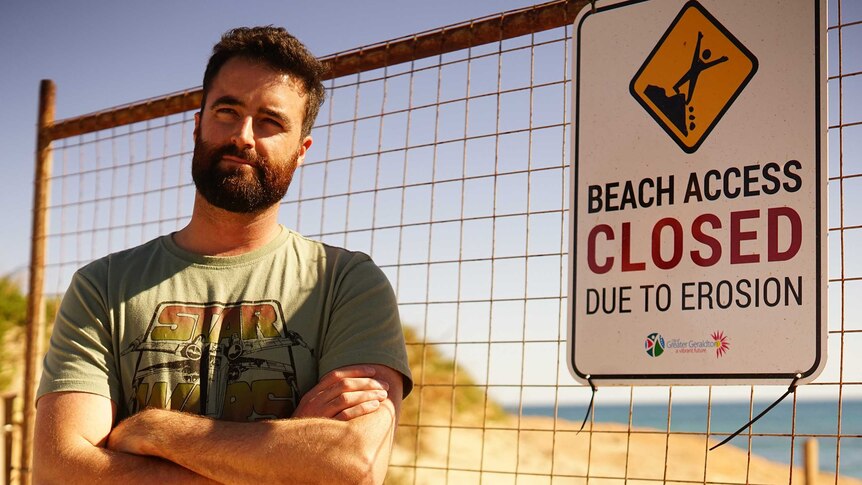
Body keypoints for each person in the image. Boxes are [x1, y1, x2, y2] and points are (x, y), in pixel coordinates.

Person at [33, 26, 412, 484]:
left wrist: (154, 430)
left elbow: (353, 465)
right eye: (227, 111)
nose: (244, 136)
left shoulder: (345, 282)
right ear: (198, 124)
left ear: (302, 150)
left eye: (271, 121)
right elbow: (59, 470)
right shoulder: (104, 285)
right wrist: (286, 455)